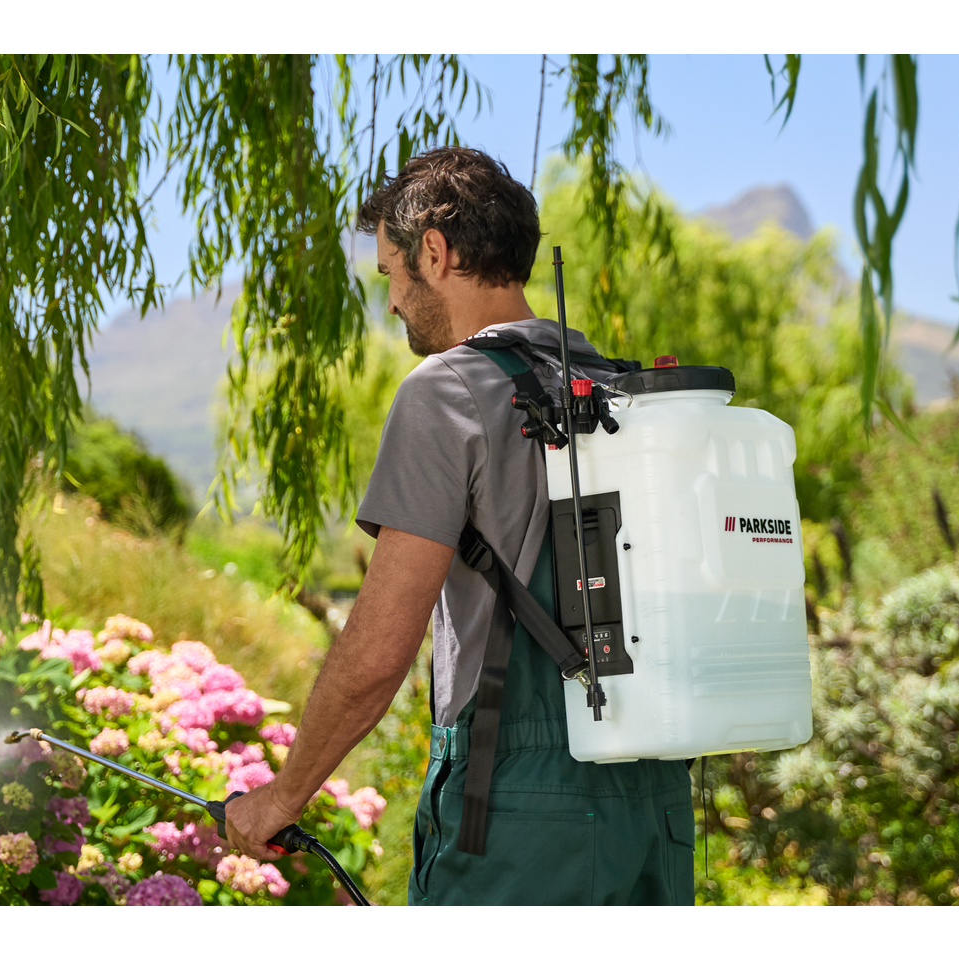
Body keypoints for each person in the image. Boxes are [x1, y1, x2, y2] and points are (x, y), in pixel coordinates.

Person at [225, 147, 694, 905]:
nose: (391, 304)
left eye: (391, 275)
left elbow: (378, 651)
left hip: (519, 816)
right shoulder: (617, 390)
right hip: (656, 803)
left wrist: (281, 796)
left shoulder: (447, 393)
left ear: (434, 253)